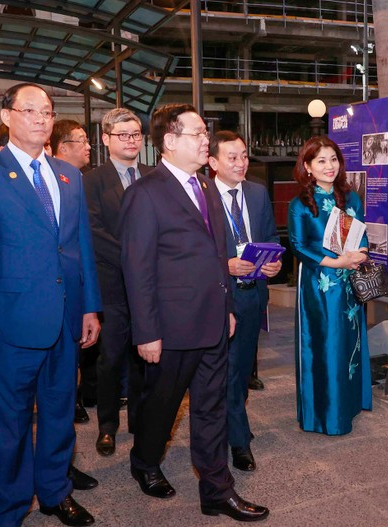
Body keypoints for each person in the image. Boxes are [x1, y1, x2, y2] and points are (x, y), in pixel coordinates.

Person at [0, 83, 101, 527]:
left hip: (65, 321)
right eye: (30, 110)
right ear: (7, 116)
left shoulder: (68, 175)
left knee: (59, 416)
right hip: (9, 326)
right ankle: (10, 508)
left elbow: (80, 249)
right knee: (9, 427)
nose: (40, 118)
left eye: (48, 112)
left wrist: (89, 307)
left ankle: (56, 492)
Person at [120, 104, 268, 521]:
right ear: (169, 141)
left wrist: (226, 308)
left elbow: (216, 253)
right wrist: (146, 332)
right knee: (162, 405)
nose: (206, 140)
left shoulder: (205, 187)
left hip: (214, 321)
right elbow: (138, 268)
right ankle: (145, 462)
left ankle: (217, 489)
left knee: (211, 407)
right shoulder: (145, 194)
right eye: (198, 134)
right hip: (169, 328)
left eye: (206, 133)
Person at [287, 135, 371, 436]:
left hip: (350, 284)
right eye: (321, 160)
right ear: (307, 166)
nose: (329, 166)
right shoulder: (300, 205)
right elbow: (297, 245)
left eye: (333, 159)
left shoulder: (351, 198)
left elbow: (363, 235)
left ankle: (348, 405)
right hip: (319, 285)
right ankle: (324, 414)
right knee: (324, 343)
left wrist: (360, 254)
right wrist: (335, 263)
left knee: (349, 341)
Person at [208, 130, 281, 472]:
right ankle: (238, 441)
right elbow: (190, 253)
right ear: (212, 162)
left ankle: (230, 424)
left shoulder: (257, 192)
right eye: (231, 157)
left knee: (240, 370)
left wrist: (274, 263)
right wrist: (225, 264)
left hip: (253, 296)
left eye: (244, 156)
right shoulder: (202, 196)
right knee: (225, 371)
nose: (240, 163)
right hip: (218, 298)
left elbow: (269, 237)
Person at [83, 108, 151, 457]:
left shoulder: (154, 176)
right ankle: (107, 425)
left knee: (146, 356)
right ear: (106, 139)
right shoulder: (91, 180)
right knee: (110, 358)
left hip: (150, 286)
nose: (131, 140)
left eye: (136, 133)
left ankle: (140, 421)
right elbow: (93, 231)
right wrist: (133, 257)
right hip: (112, 284)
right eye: (123, 134)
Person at [51, 119, 95, 425]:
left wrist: (91, 307)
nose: (89, 146)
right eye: (81, 140)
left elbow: (84, 245)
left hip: (75, 296)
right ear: (63, 147)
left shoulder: (77, 180)